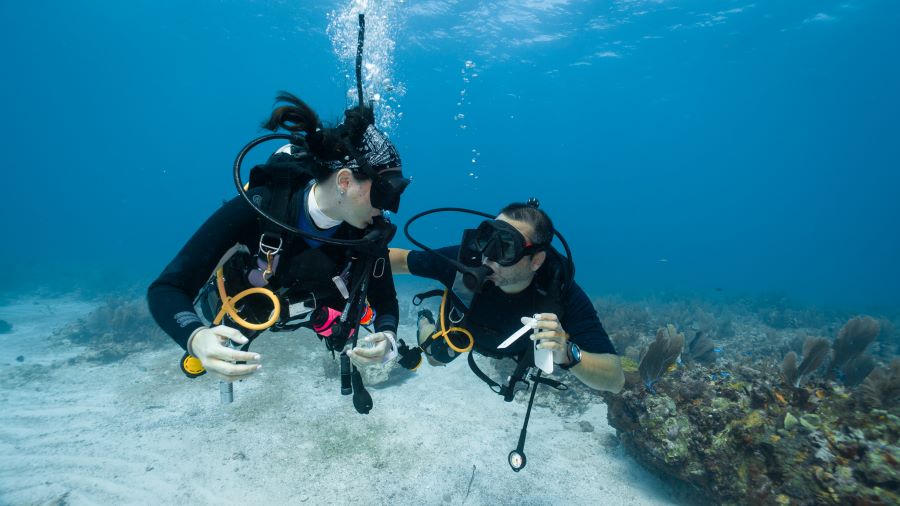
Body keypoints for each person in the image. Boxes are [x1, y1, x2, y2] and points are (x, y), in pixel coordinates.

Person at [147, 92, 408, 390]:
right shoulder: (261, 206)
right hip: (250, 301)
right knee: (221, 340)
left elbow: (385, 299)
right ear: (345, 181)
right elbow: (167, 288)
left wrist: (387, 337)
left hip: (318, 305)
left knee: (335, 323)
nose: (388, 208)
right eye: (384, 193)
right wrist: (195, 337)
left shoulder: (366, 234)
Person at [386, 201, 625, 394]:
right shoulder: (464, 263)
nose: (488, 257)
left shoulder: (560, 293)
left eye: (506, 248)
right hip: (464, 329)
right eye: (486, 239)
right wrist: (353, 259)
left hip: (516, 348)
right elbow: (399, 259)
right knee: (435, 359)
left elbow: (615, 379)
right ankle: (424, 320)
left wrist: (569, 354)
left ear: (537, 260)